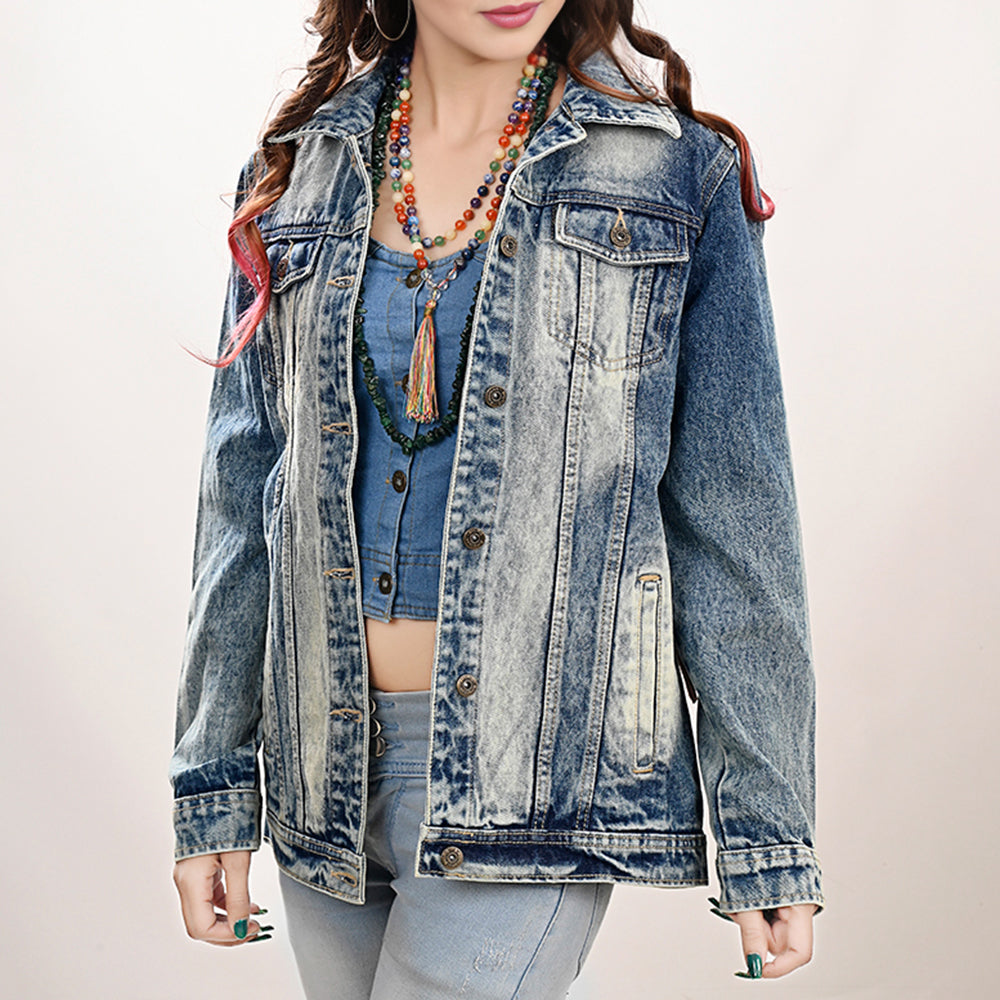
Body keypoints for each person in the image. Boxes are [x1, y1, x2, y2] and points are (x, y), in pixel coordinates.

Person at [170, 1, 824, 996]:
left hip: (532, 785)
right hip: (319, 774)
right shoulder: (300, 170)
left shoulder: (671, 174)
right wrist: (213, 784)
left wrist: (766, 834)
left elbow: (734, 525)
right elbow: (241, 501)